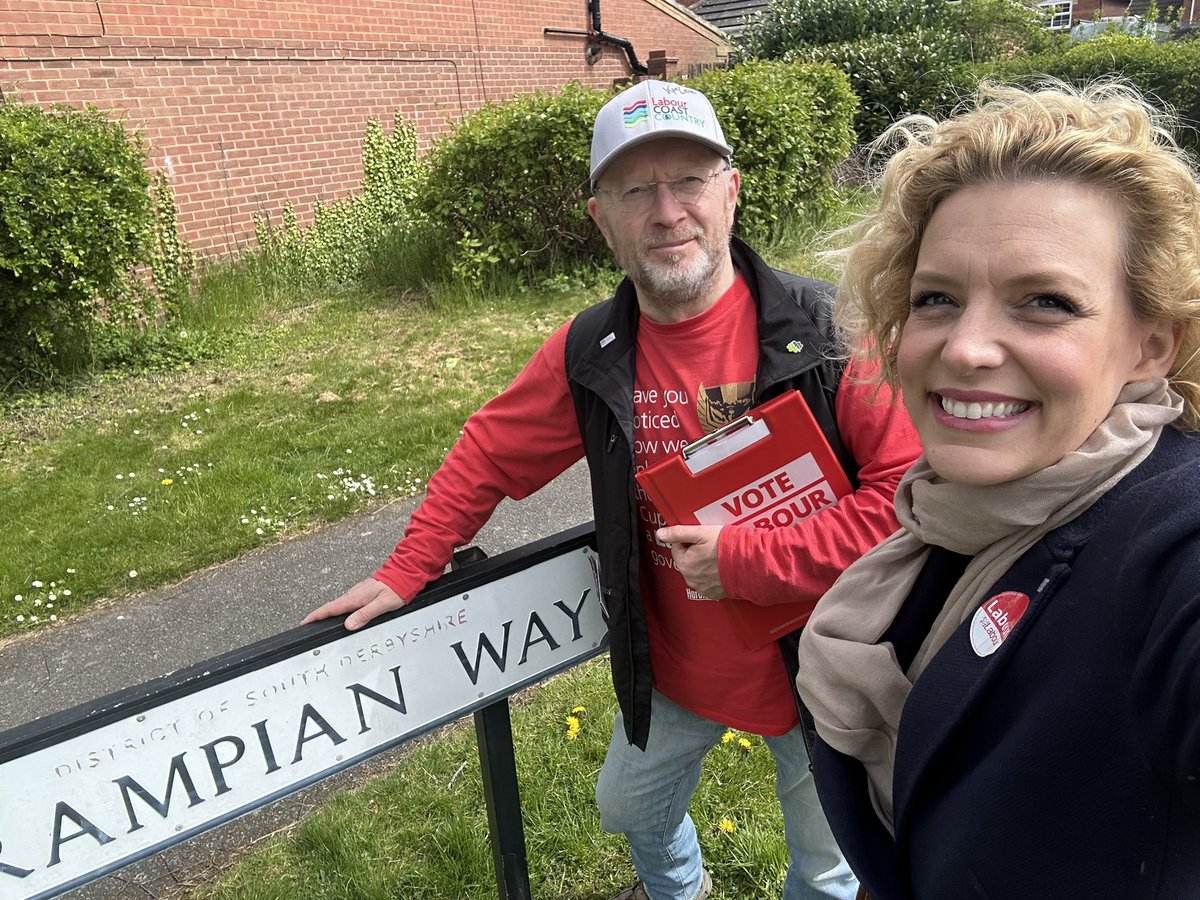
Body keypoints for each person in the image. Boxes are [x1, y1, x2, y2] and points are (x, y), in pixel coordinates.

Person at [304, 78, 920, 900]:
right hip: (670, 671)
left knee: (828, 860)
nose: (667, 211)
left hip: (824, 670)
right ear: (602, 218)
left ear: (731, 191)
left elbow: (905, 503)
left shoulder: (833, 332)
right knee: (629, 810)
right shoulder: (590, 349)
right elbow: (489, 450)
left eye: (691, 180)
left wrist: (750, 559)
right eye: (636, 189)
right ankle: (676, 892)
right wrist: (407, 566)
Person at [796, 79, 1200, 900]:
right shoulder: (944, 522)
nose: (969, 348)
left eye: (1044, 303)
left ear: (1152, 345)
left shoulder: (1174, 545)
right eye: (937, 299)